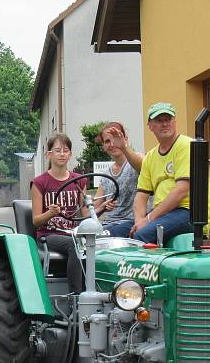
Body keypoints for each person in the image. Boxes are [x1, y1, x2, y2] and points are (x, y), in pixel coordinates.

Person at [108, 102, 210, 244]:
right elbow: (141, 195)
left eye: (168, 119)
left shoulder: (186, 146)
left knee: (143, 235)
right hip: (164, 215)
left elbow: (181, 191)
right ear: (150, 126)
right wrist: (139, 220)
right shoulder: (150, 157)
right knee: (114, 233)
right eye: (159, 120)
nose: (164, 124)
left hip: (188, 212)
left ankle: (145, 266)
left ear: (174, 122)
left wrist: (148, 219)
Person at [31, 133, 87, 293]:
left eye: (65, 150)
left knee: (100, 242)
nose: (62, 154)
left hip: (72, 233)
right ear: (49, 154)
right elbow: (36, 221)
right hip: (48, 235)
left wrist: (102, 206)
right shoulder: (40, 183)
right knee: (74, 245)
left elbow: (84, 213)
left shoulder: (79, 181)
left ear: (70, 154)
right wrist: (50, 213)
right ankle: (77, 297)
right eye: (57, 150)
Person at [91, 121, 140, 235]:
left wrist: (124, 147)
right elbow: (93, 209)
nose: (112, 144)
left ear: (125, 138)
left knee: (100, 236)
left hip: (131, 222)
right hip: (108, 224)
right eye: (107, 141)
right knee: (81, 237)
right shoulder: (106, 175)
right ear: (103, 146)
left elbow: (143, 167)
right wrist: (103, 207)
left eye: (116, 138)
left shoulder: (136, 159)